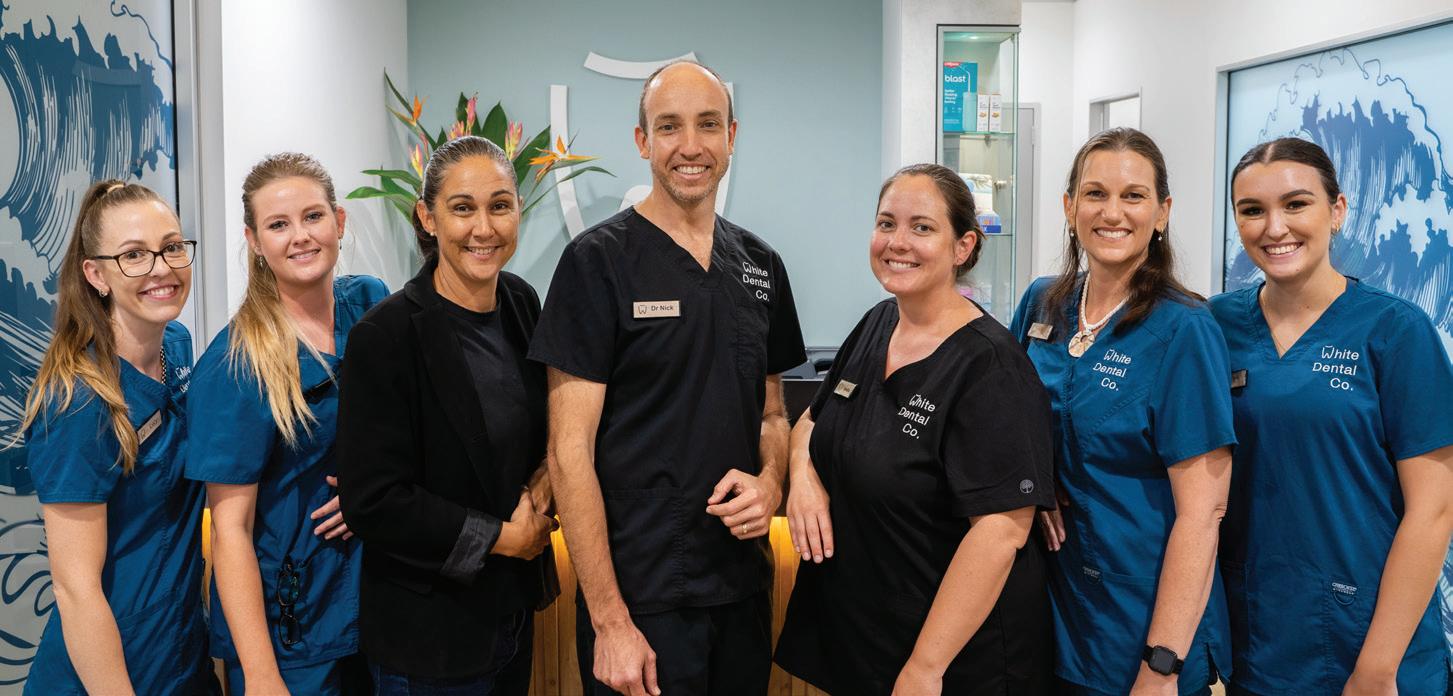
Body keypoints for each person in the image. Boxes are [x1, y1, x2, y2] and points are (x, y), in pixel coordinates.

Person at [528, 60, 807, 696]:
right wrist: (609, 621)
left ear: (731, 137)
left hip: (739, 587)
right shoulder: (596, 263)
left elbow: (772, 414)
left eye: (707, 125)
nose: (690, 145)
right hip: (639, 600)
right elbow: (568, 453)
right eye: (669, 126)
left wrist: (771, 482)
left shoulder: (761, 266)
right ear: (643, 141)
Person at [772, 163, 1056, 696]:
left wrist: (925, 668)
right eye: (886, 223)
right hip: (868, 636)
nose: (897, 242)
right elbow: (812, 420)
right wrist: (804, 480)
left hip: (953, 663)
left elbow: (1001, 532)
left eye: (922, 227)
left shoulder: (991, 367)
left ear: (963, 246)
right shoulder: (879, 322)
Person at [1211, 137, 1453, 695]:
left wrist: (1377, 669)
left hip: (1374, 647)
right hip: (1260, 639)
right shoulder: (1215, 326)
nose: (1274, 227)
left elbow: (1434, 510)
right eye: (1252, 210)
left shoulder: (1395, 331)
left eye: (1296, 204)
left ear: (1337, 210)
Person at [1008, 127, 1235, 695]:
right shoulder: (1043, 303)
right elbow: (1005, 421)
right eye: (1095, 194)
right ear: (1069, 208)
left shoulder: (1184, 328)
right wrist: (1034, 484)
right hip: (1051, 605)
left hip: (1141, 619)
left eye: (1134, 196)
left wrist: (1162, 665)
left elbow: (1203, 513)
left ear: (1162, 213)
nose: (1112, 212)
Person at [336, 135, 558, 696]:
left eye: (499, 206)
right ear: (428, 217)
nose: (483, 228)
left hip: (510, 614)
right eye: (462, 208)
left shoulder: (521, 302)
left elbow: (545, 430)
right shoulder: (385, 336)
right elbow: (374, 500)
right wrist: (502, 537)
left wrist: (544, 483)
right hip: (427, 638)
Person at [185, 153, 386, 695]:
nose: (300, 236)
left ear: (338, 221)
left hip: (377, 606)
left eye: (313, 216)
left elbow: (410, 422)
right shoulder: (235, 364)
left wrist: (373, 492)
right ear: (254, 241)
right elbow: (229, 531)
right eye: (278, 225)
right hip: (290, 631)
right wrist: (261, 676)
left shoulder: (371, 306)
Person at [16, 181, 212, 695]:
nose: (161, 268)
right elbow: (75, 589)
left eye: (171, 246)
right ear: (96, 274)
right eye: (133, 255)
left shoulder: (178, 346)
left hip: (178, 657)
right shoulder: (80, 400)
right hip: (106, 676)